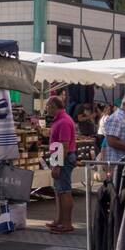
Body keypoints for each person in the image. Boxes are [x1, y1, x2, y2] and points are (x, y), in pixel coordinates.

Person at [44, 97, 78, 234]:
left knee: (64, 191)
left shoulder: (63, 121)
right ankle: (60, 220)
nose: (46, 109)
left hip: (62, 156)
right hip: (58, 156)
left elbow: (64, 144)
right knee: (59, 190)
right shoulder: (60, 120)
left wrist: (58, 164)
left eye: (48, 106)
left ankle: (67, 223)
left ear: (53, 106)